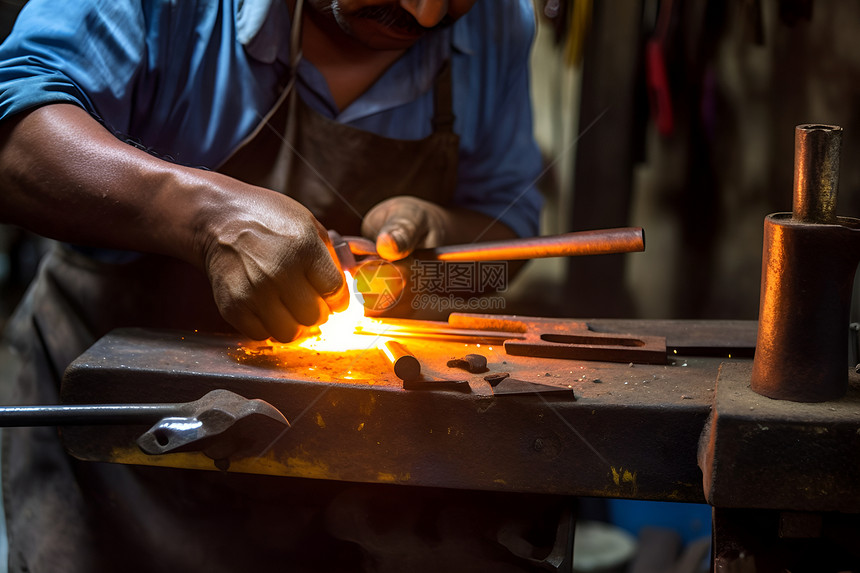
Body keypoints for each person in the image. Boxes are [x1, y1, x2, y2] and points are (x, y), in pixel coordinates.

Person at [0, 0, 550, 571]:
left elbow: (508, 230)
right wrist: (202, 217)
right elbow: (10, 139)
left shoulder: (500, 20)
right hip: (116, 452)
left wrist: (437, 249)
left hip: (342, 482)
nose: (427, 12)